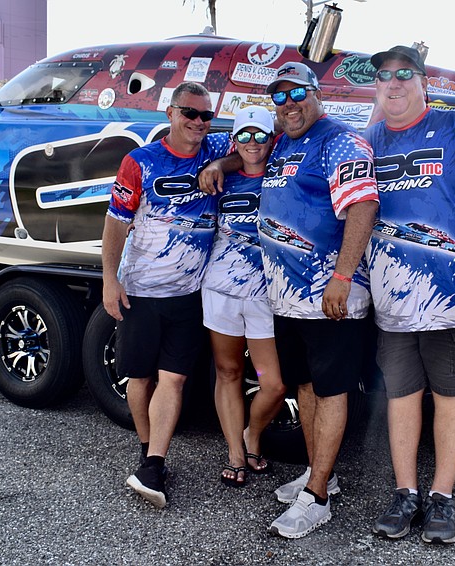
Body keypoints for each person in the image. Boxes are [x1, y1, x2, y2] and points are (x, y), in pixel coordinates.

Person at [200, 61, 379, 539]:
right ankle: (320, 471)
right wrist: (221, 163)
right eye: (278, 97)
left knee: (332, 391)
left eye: (296, 93)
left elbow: (363, 206)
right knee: (304, 388)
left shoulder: (339, 141)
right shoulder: (285, 143)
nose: (288, 105)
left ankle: (316, 496)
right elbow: (247, 152)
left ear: (315, 93)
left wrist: (342, 276)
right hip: (285, 299)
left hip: (329, 297)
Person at [365, 46, 455, 544]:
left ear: (422, 81)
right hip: (391, 304)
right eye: (384, 76)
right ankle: (406, 492)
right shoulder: (368, 139)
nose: (394, 84)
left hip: (454, 300)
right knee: (401, 397)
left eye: (404, 74)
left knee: (451, 397)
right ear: (377, 86)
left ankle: (442, 497)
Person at [101, 81, 230, 509]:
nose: (198, 122)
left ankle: (155, 463)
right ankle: (146, 449)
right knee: (140, 378)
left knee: (174, 378)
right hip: (141, 290)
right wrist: (109, 279)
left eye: (205, 115)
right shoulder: (140, 161)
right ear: (170, 114)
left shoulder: (216, 148)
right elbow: (116, 222)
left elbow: (258, 147)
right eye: (189, 113)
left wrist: (222, 165)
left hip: (190, 294)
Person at [201, 105, 286, 488]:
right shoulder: (222, 178)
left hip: (265, 296)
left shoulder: (283, 175)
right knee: (229, 372)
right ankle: (235, 452)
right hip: (220, 290)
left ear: (272, 140)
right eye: (246, 136)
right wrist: (221, 163)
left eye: (261, 136)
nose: (253, 143)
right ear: (235, 140)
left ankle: (252, 433)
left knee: (273, 383)